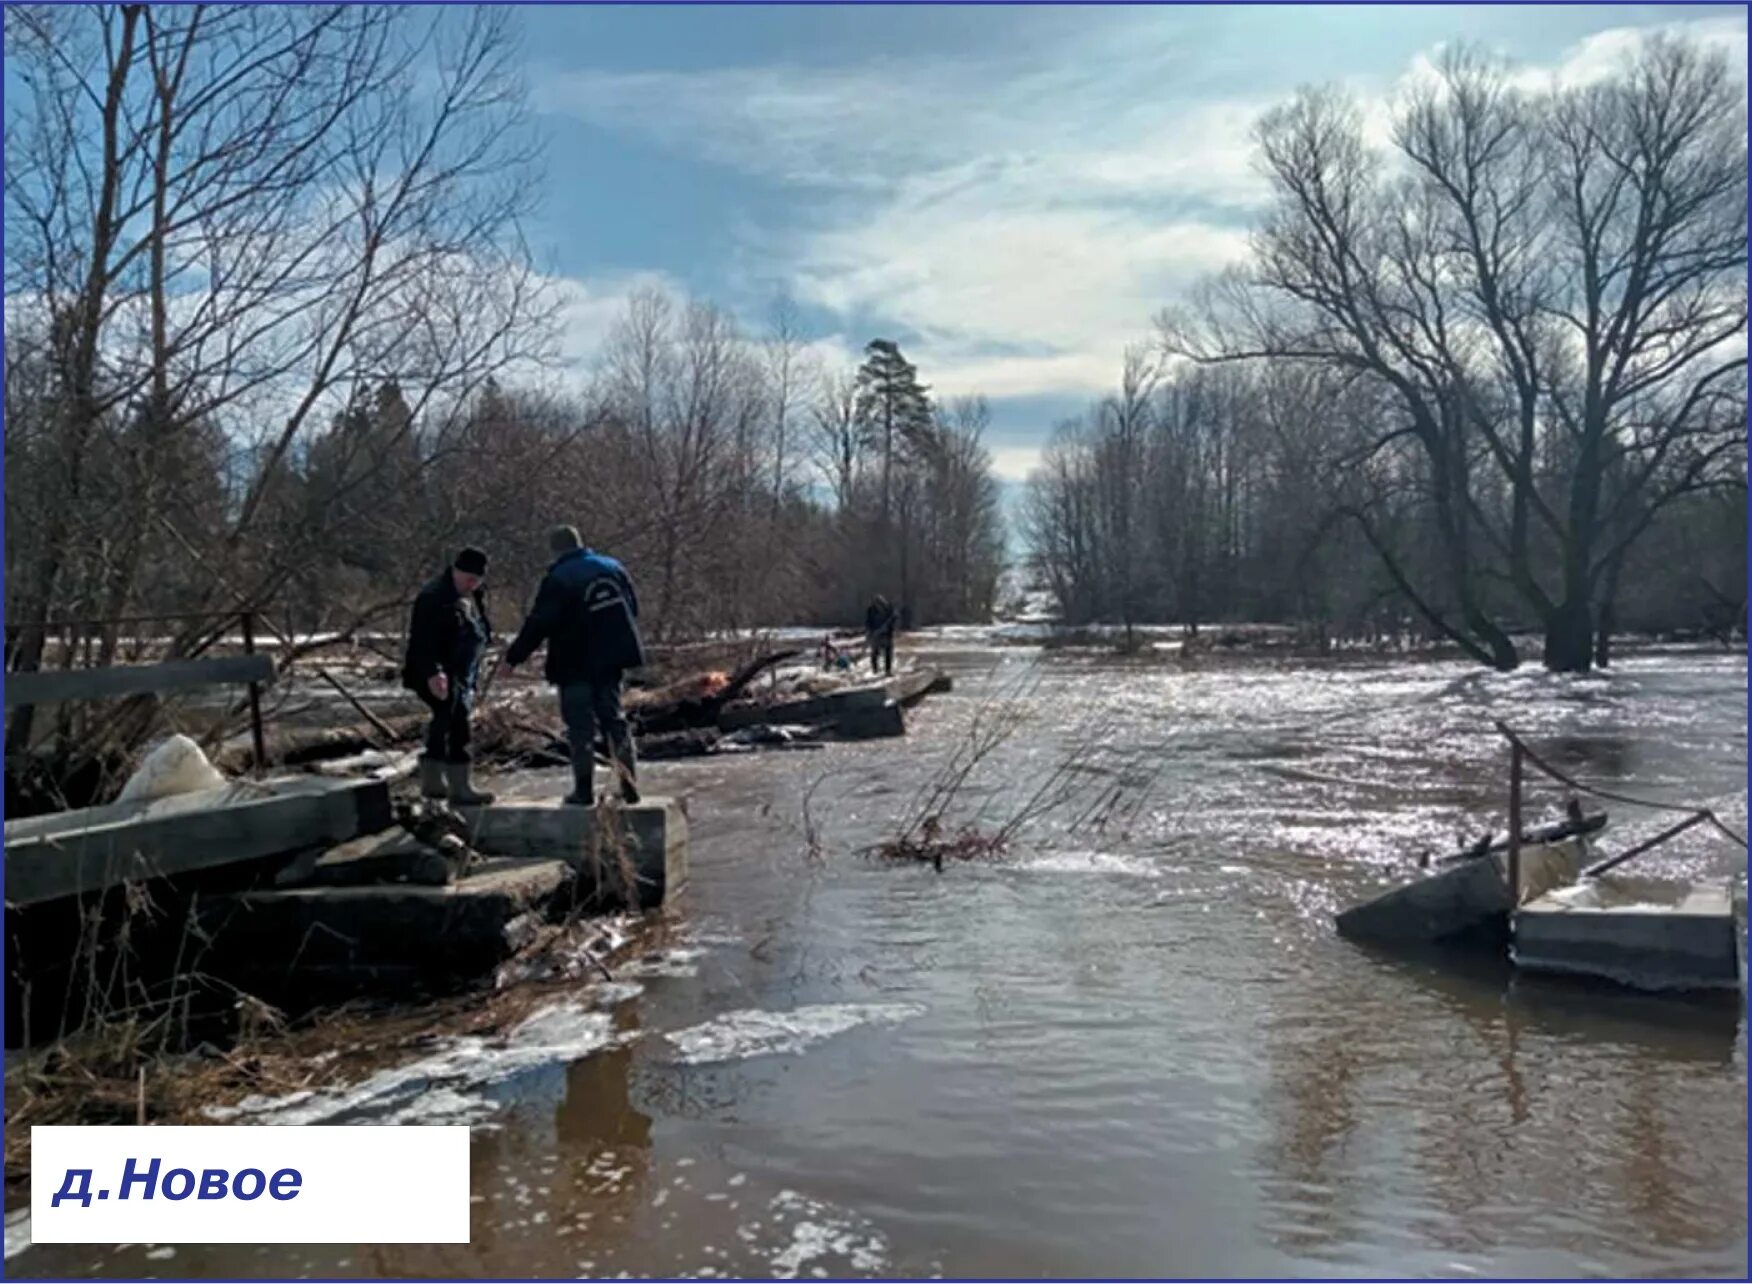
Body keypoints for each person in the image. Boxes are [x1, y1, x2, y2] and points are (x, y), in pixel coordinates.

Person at [504, 525, 645, 806]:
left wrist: (514, 657)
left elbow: (540, 623)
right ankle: (629, 786)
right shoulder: (614, 567)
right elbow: (633, 608)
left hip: (574, 662)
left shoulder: (559, 578)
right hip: (611, 660)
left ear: (556, 550)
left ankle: (583, 791)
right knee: (614, 720)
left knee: (580, 726)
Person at [403, 546, 495, 805]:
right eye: (468, 579)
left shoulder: (474, 596)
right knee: (456, 723)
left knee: (445, 720)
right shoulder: (433, 597)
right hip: (436, 670)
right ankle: (459, 786)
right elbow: (422, 641)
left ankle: (434, 784)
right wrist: (434, 673)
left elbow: (480, 630)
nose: (472, 585)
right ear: (455, 572)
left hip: (463, 672)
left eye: (477, 581)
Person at [864, 594, 897, 676]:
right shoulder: (871, 610)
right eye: (877, 603)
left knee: (888, 653)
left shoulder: (888, 609)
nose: (879, 605)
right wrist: (870, 632)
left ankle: (888, 670)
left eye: (880, 603)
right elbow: (868, 622)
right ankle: (875, 670)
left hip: (886, 635)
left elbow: (894, 618)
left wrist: (888, 627)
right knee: (875, 653)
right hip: (875, 634)